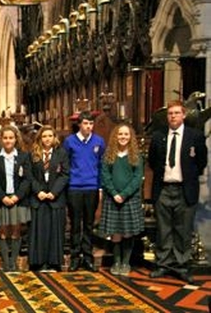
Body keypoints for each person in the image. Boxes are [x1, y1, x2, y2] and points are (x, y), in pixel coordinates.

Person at [148, 100, 207, 283]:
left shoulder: (195, 136)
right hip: (163, 189)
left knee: (183, 230)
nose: (173, 116)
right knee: (164, 230)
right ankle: (164, 264)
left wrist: (187, 176)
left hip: (184, 189)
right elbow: (152, 161)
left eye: (176, 113)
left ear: (183, 115)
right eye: (170, 114)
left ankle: (181, 265)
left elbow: (201, 162)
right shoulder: (158, 136)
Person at [63, 111, 105, 272]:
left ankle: (88, 257)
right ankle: (75, 257)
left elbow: (101, 165)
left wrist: (100, 187)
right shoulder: (69, 142)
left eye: (91, 124)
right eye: (86, 123)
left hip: (92, 187)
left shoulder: (99, 142)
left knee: (89, 224)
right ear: (80, 124)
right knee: (75, 224)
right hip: (74, 187)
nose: (88, 126)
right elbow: (66, 165)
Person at [100, 124, 144, 276]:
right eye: (120, 134)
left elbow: (137, 178)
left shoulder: (136, 156)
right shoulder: (108, 155)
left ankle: (126, 262)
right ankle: (116, 262)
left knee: (127, 233)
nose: (123, 137)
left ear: (130, 137)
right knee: (115, 233)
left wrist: (124, 194)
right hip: (112, 198)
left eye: (126, 134)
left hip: (129, 199)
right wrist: (114, 193)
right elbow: (105, 176)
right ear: (115, 136)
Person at [0, 125, 31, 272]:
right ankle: (6, 263)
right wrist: (3, 197)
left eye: (11, 138)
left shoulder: (23, 156)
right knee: (3, 231)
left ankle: (13, 263)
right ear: (0, 139)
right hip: (1, 199)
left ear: (16, 139)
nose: (8, 141)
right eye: (5, 138)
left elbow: (27, 179)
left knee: (15, 231)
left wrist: (17, 196)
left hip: (17, 199)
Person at [29, 125, 69, 272]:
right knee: (39, 231)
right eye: (44, 136)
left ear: (54, 138)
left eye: (50, 136)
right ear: (40, 138)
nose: (47, 139)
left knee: (54, 231)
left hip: (55, 198)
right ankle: (38, 262)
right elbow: (29, 175)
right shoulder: (33, 154)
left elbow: (65, 174)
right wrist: (38, 191)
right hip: (38, 199)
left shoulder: (61, 153)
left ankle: (53, 262)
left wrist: (54, 192)